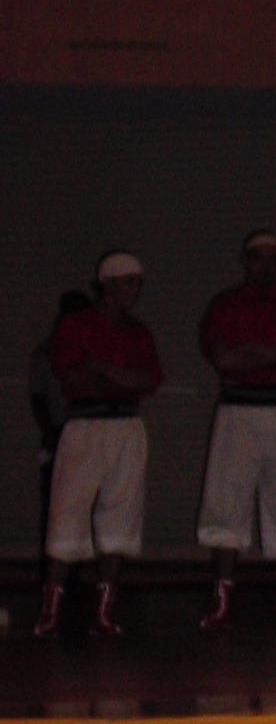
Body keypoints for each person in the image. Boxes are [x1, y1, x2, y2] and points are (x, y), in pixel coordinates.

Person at [195, 230, 276, 630]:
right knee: (225, 501)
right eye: (257, 257)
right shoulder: (225, 305)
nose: (265, 265)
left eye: (272, 258)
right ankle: (221, 602)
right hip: (238, 409)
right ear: (245, 261)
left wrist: (249, 350)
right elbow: (224, 360)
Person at [34, 252, 164, 638]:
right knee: (66, 514)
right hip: (85, 426)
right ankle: (50, 611)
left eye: (139, 283)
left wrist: (102, 368)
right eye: (129, 282)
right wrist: (121, 377)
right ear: (107, 285)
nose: (135, 290)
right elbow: (72, 376)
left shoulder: (139, 332)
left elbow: (147, 380)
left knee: (120, 518)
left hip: (126, 426)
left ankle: (104, 612)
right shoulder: (75, 325)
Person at [29, 289, 91, 562]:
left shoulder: (94, 351)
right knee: (54, 507)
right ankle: (52, 570)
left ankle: (77, 567)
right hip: (58, 437)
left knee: (86, 507)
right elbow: (38, 398)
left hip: (90, 436)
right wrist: (52, 432)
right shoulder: (45, 352)